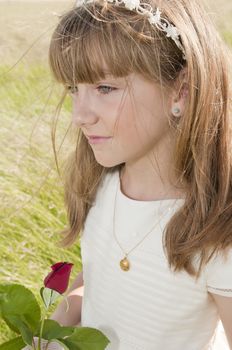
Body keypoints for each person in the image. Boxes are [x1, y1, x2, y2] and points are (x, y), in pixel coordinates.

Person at [27, 0, 232, 348]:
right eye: (73, 90)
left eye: (105, 89)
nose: (79, 115)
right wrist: (56, 329)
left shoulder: (212, 230)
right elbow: (97, 277)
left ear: (180, 91)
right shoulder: (102, 184)